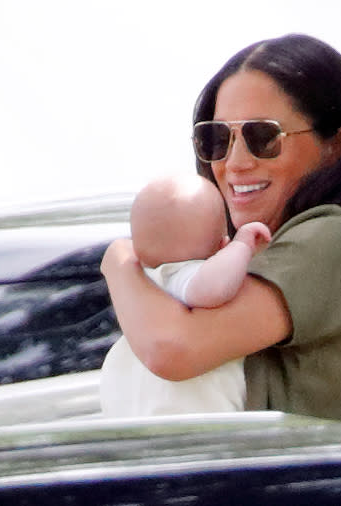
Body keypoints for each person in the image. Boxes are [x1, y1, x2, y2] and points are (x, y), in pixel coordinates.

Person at [101, 33, 341, 427]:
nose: (234, 162)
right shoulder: (249, 252)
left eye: (263, 137)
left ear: (336, 146)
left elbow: (172, 350)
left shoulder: (334, 236)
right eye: (218, 138)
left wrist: (120, 263)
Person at [100, 174, 271, 417]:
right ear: (222, 246)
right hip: (199, 423)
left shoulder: (142, 286)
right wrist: (242, 246)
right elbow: (214, 289)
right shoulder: (179, 276)